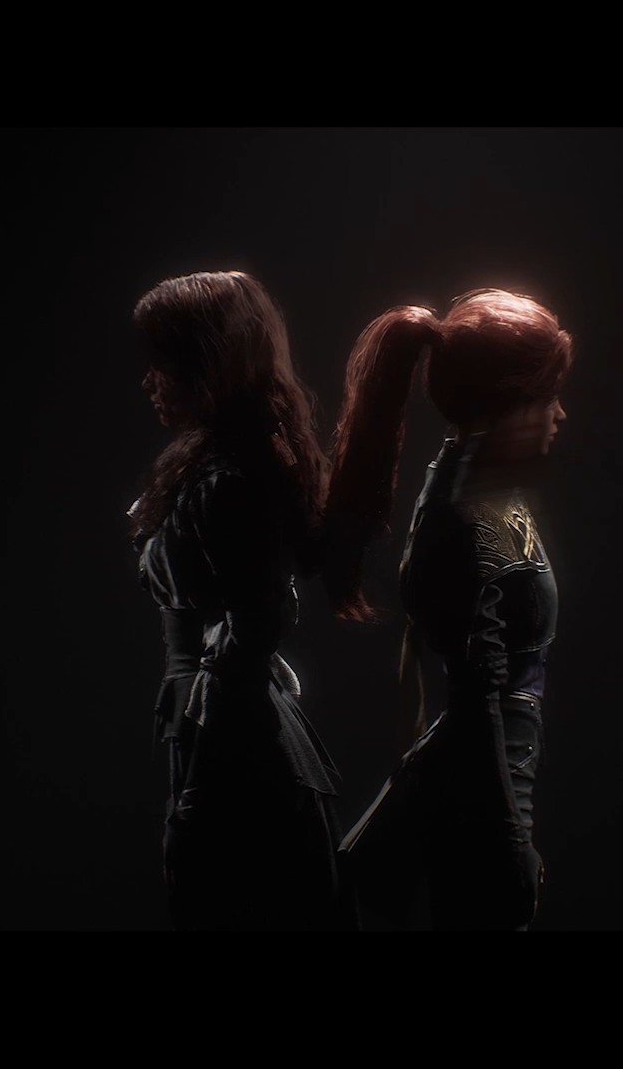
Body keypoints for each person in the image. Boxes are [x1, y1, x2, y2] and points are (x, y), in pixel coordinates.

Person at [323, 288, 574, 930]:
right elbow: (477, 704)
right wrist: (510, 841)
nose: (559, 413)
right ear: (508, 405)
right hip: (479, 808)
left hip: (492, 790)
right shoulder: (463, 516)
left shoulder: (485, 493)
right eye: (548, 396)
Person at [127, 270, 352, 930]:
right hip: (221, 735)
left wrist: (199, 780)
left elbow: (259, 624)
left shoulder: (226, 481)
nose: (149, 380)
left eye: (163, 361)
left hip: (240, 752)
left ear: (203, 364)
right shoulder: (205, 468)